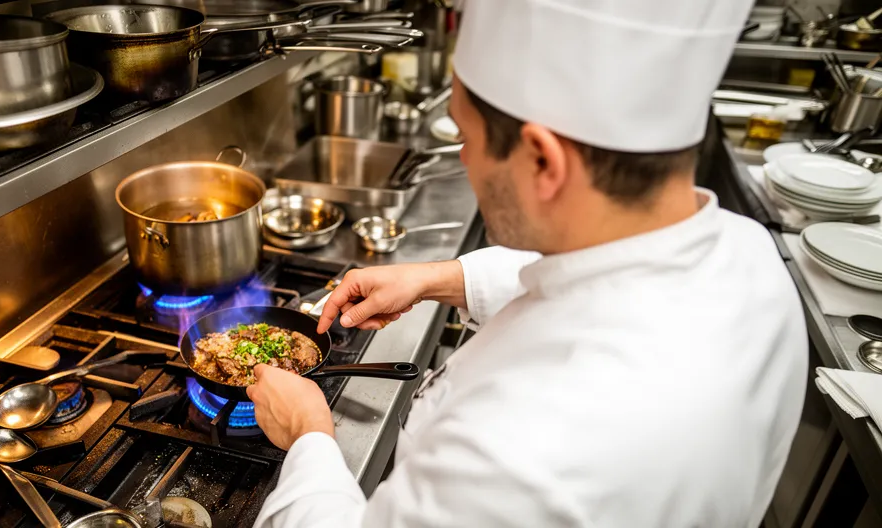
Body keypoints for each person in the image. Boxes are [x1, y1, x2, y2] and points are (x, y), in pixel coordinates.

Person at [246, 0, 808, 525]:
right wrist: (439, 278)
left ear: (543, 160)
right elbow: (594, 282)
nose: (463, 159)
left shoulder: (518, 454)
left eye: (466, 138)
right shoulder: (747, 252)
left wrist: (309, 437)